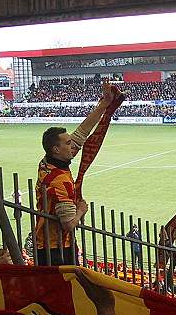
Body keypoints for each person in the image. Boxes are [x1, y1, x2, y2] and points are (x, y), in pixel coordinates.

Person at [35, 83, 116, 266]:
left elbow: (81, 133)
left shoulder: (46, 162)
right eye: (68, 143)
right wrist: (81, 210)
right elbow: (69, 224)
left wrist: (103, 105)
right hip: (56, 249)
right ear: (56, 149)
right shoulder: (60, 181)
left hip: (46, 243)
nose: (73, 145)